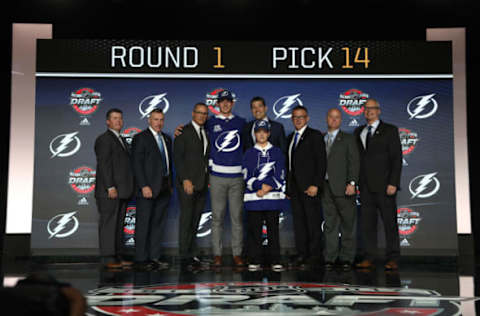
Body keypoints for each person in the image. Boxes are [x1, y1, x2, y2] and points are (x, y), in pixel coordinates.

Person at [354, 98, 402, 270]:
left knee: (390, 223)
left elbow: (396, 158)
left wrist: (393, 183)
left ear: (379, 110)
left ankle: (393, 258)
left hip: (385, 186)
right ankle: (369, 257)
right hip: (365, 187)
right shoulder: (358, 131)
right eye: (366, 109)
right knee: (368, 225)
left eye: (372, 108)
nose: (369, 111)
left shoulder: (390, 130)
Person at [207, 90, 246, 267]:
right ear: (218, 104)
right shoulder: (210, 122)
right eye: (222, 101)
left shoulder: (241, 123)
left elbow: (247, 148)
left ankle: (237, 253)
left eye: (228, 101)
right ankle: (217, 254)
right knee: (217, 218)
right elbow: (198, 138)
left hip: (237, 177)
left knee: (237, 217)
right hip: (217, 177)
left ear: (232, 103)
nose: (225, 104)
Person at [242, 120, 287, 271]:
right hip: (254, 199)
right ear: (255, 134)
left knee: (273, 231)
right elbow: (246, 174)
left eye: (264, 131)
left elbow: (280, 174)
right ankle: (255, 259)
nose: (261, 134)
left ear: (268, 133)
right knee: (255, 231)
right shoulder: (249, 153)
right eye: (258, 131)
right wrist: (259, 187)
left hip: (272, 199)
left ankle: (275, 260)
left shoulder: (277, 152)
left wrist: (267, 188)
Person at [131, 108, 173, 270]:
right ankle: (141, 260)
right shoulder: (140, 138)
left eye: (161, 119)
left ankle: (154, 257)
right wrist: (143, 186)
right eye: (156, 119)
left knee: (158, 224)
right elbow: (136, 164)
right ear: (149, 120)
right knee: (143, 224)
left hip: (164, 187)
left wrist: (170, 186)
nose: (159, 123)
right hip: (147, 188)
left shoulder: (167, 139)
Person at [286, 105, 327, 267]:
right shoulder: (290, 138)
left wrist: (316, 184)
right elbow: (289, 164)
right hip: (295, 188)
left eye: (301, 117)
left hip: (310, 188)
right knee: (299, 224)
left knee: (312, 223)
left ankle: (315, 256)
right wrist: (289, 187)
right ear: (291, 119)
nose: (298, 119)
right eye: (295, 117)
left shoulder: (315, 135)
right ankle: (302, 254)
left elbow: (321, 162)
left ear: (307, 118)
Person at [94, 108, 134, 269]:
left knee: (117, 226)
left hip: (122, 191)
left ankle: (117, 256)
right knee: (109, 225)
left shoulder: (122, 139)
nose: (118, 121)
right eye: (115, 118)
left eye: (120, 118)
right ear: (107, 121)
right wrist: (110, 186)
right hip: (109, 192)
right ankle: (107, 258)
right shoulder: (104, 139)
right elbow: (104, 165)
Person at [321, 108, 360, 271]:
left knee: (347, 224)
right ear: (327, 118)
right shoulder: (321, 138)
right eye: (331, 117)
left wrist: (352, 183)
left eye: (337, 117)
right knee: (330, 224)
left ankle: (346, 258)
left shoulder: (348, 139)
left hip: (344, 188)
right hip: (325, 187)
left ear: (341, 120)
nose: (334, 120)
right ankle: (330, 257)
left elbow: (355, 162)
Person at [173, 103, 210, 269]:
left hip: (202, 184)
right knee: (186, 220)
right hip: (188, 184)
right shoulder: (183, 132)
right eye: (199, 113)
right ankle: (183, 256)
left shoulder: (206, 132)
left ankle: (191, 254)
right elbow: (178, 158)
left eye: (205, 113)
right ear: (193, 113)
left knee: (195, 221)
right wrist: (185, 179)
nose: (202, 116)